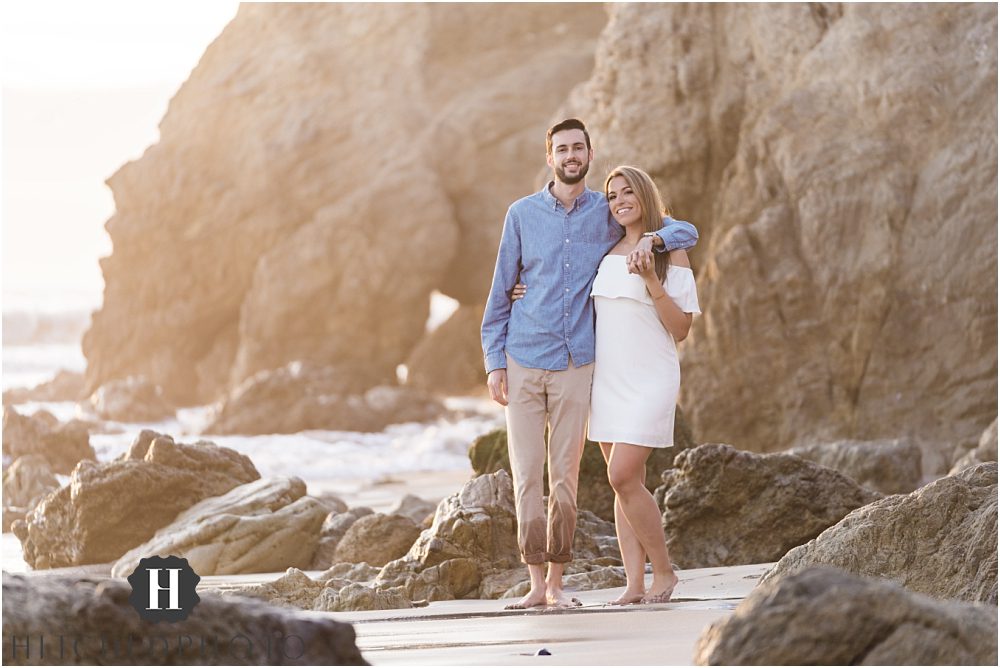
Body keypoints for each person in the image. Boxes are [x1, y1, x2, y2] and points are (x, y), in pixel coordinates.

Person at [481, 119, 697, 609]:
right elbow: (498, 295)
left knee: (572, 479)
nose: (571, 155)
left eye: (578, 147)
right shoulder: (521, 215)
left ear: (589, 153)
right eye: (562, 148)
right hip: (530, 358)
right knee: (531, 474)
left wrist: (655, 242)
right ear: (550, 155)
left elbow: (681, 226)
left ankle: (567, 583)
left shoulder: (607, 213)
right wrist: (495, 361)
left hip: (582, 365)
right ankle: (548, 585)